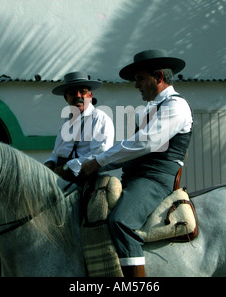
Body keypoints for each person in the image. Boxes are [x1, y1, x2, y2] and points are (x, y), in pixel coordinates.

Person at [80, 49, 193, 277]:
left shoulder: (176, 106)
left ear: (158, 77)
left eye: (140, 79)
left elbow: (147, 142)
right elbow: (128, 146)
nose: (136, 85)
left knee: (121, 222)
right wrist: (95, 165)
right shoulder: (151, 109)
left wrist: (99, 161)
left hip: (155, 180)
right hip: (135, 177)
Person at [44, 71, 114, 183]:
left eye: (82, 92)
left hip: (84, 177)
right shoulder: (66, 122)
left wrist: (66, 168)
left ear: (90, 95)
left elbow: (100, 153)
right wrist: (49, 163)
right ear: (66, 98)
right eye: (72, 93)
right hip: (60, 177)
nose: (78, 96)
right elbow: (57, 153)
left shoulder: (99, 118)